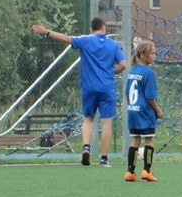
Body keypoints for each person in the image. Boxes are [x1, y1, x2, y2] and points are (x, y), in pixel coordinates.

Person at [32, 18, 127, 167]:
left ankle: (86, 149)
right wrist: (113, 71)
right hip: (106, 87)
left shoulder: (85, 40)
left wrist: (47, 32)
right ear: (104, 27)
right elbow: (123, 64)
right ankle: (104, 158)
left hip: (89, 87)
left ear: (91, 28)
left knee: (88, 119)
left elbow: (66, 38)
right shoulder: (113, 45)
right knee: (106, 122)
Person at [124, 40, 162, 182]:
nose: (154, 56)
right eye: (152, 53)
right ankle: (147, 170)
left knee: (135, 140)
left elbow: (127, 94)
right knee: (149, 140)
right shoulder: (148, 73)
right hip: (145, 112)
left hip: (132, 111)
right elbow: (150, 97)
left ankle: (130, 172)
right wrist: (158, 110)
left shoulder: (132, 72)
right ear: (142, 54)